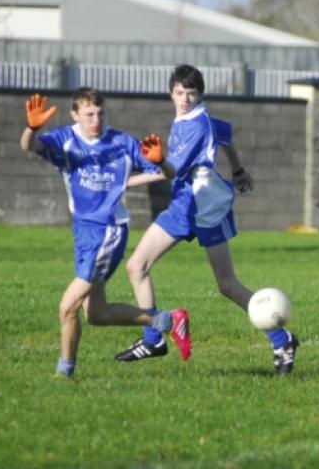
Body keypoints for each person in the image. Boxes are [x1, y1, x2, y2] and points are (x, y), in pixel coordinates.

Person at [118, 64, 300, 374]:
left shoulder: (196, 125)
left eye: (190, 93)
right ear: (171, 93)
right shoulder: (198, 117)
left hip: (201, 207)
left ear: (199, 95)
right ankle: (154, 339)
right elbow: (226, 136)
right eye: (179, 93)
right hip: (193, 204)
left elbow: (168, 171)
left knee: (223, 284)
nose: (185, 98)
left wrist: (122, 182)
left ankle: (281, 340)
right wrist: (238, 169)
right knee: (141, 267)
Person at [19, 88, 191, 379]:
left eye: (100, 113)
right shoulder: (65, 139)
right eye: (88, 114)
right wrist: (32, 128)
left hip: (109, 233)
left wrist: (161, 161)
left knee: (67, 305)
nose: (95, 119)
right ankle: (167, 320)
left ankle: (64, 373)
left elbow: (170, 173)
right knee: (96, 315)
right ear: (75, 115)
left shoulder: (123, 143)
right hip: (83, 232)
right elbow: (28, 146)